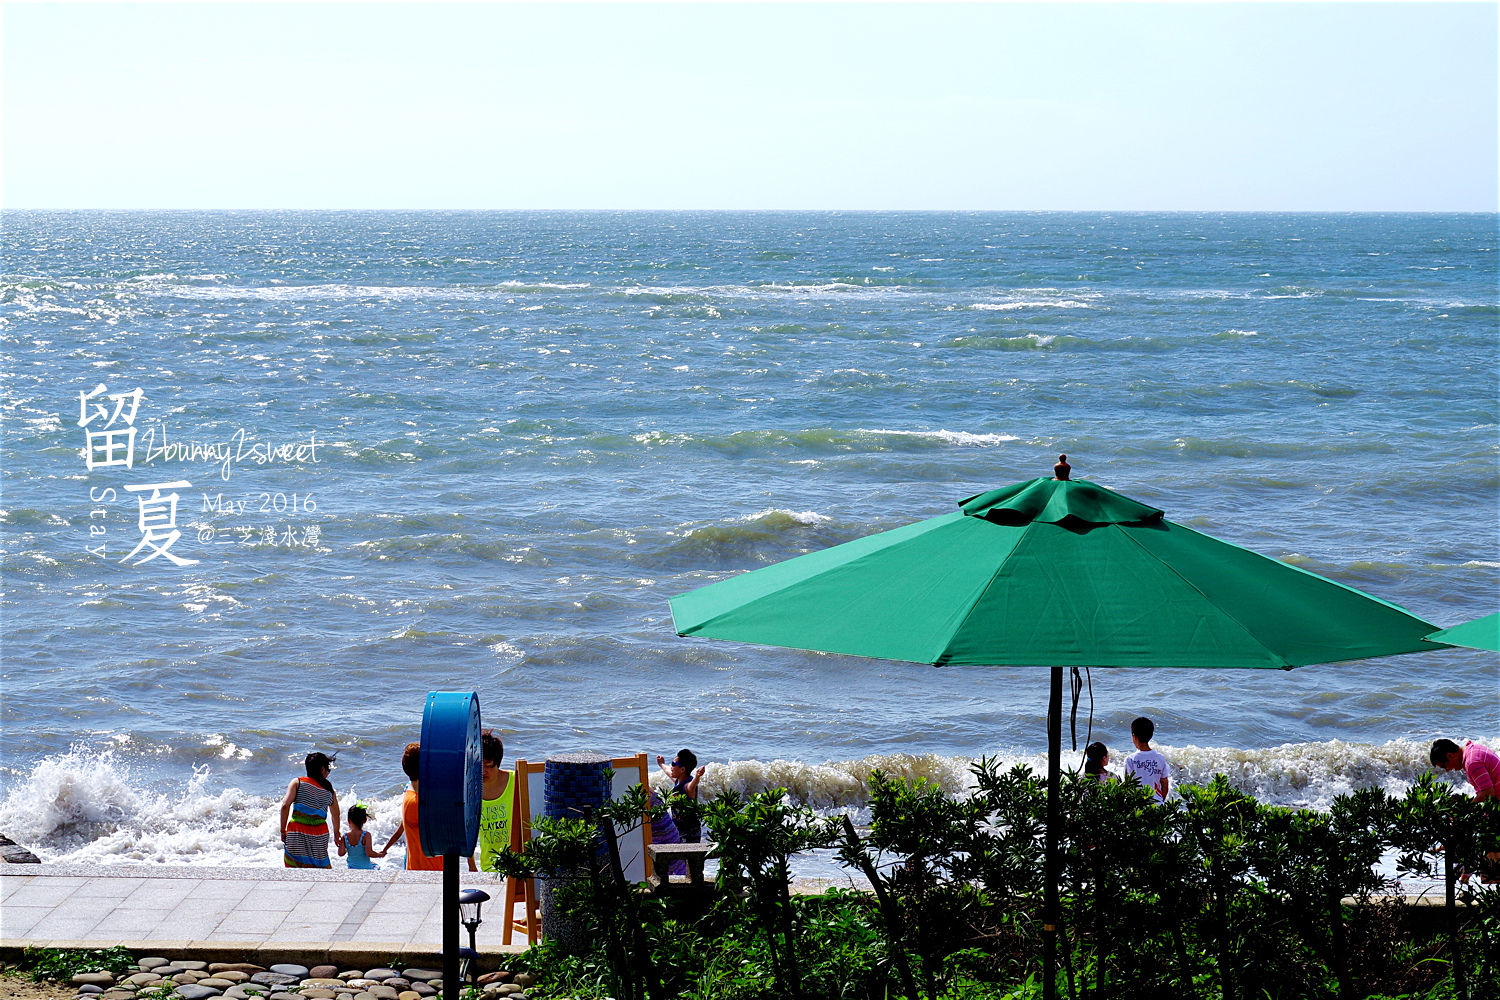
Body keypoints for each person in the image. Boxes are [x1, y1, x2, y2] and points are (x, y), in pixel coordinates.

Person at [381, 742, 478, 872]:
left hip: (414, 868)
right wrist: (471, 865)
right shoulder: (425, 804)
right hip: (432, 872)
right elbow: (456, 833)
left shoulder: (408, 793)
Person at [280, 751, 340, 868]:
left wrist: (283, 830)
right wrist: (336, 833)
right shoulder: (330, 792)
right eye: (328, 769)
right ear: (322, 769)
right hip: (319, 836)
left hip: (296, 833)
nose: (328, 772)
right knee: (320, 870)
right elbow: (336, 815)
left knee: (294, 870)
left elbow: (285, 806)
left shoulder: (298, 782)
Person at [476, 730, 515, 874]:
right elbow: (466, 832)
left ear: (497, 763)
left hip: (518, 863)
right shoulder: (471, 789)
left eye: (488, 766)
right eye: (480, 766)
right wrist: (471, 865)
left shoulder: (516, 781)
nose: (483, 771)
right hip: (488, 866)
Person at [658, 748, 707, 842]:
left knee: (688, 855)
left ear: (682, 769)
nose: (671, 767)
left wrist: (697, 776)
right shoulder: (678, 781)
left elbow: (692, 786)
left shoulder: (687, 787)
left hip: (690, 832)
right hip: (679, 828)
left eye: (673, 764)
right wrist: (661, 764)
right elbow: (667, 771)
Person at [1430, 738, 1500, 801]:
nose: (1447, 770)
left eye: (1444, 766)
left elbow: (1488, 793)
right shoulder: (1474, 749)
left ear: (1450, 755)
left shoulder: (1472, 763)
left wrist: (1467, 808)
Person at [1124, 717, 1170, 803]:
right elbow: (1164, 784)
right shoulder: (1160, 758)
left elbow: (1128, 785)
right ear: (1151, 735)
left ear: (1134, 737)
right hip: (1157, 803)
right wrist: (1160, 801)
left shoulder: (1130, 759)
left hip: (1138, 804)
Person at [338, 803, 384, 870]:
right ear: (365, 820)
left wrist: (343, 845)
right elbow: (369, 853)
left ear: (348, 820)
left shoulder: (345, 837)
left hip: (351, 868)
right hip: (366, 868)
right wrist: (379, 855)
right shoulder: (366, 835)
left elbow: (341, 853)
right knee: (376, 866)